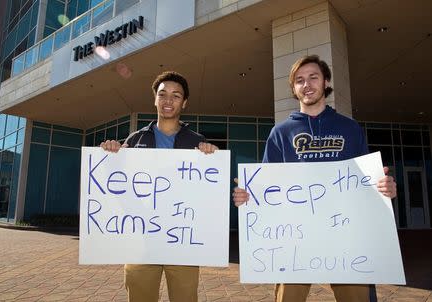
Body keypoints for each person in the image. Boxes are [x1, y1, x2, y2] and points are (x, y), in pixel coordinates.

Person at [233, 55, 396, 302]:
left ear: (326, 81)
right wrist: (247, 195)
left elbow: (366, 180)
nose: (306, 85)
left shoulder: (349, 128)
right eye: (299, 80)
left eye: (313, 77)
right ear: (294, 88)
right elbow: (266, 186)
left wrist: (383, 188)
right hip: (295, 236)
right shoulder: (281, 132)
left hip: (345, 234)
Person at [101, 71, 218, 302]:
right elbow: (114, 184)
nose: (168, 100)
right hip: (141, 241)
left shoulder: (196, 141)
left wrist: (211, 158)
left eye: (176, 96)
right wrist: (110, 156)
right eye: (162, 94)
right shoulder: (134, 140)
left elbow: (206, 192)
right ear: (154, 99)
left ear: (184, 103)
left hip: (182, 242)